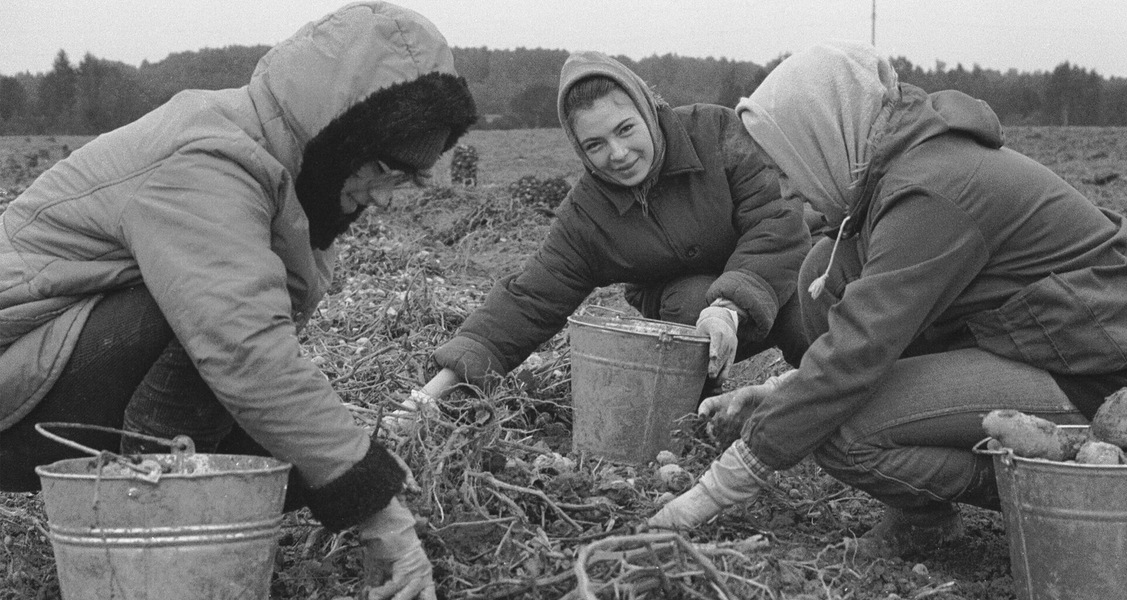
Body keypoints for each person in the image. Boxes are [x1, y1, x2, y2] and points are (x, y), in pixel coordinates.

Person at [0, 3, 477, 599]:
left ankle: (167, 513)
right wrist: (376, 508)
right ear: (335, 129)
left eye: (408, 178)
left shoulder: (279, 173)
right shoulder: (210, 158)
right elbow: (242, 345)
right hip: (14, 387)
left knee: (288, 455)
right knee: (205, 317)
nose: (384, 197)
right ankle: (147, 532)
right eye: (382, 167)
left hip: (46, 374)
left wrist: (342, 473)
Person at [648, 41, 1127, 559]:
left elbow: (855, 356)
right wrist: (777, 390)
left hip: (1108, 366)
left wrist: (714, 491)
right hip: (1040, 337)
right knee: (826, 273)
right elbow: (865, 330)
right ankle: (925, 514)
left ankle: (1062, 491)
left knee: (841, 431)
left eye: (787, 167)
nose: (786, 190)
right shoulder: (899, 167)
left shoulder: (929, 191)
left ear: (822, 136)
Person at [417, 50, 812, 404]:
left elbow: (775, 222)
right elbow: (530, 300)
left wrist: (728, 308)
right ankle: (693, 409)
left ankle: (823, 396)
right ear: (580, 150)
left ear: (648, 109)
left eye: (625, 129)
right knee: (692, 302)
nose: (618, 154)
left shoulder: (717, 132)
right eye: (595, 145)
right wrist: (439, 387)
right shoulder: (587, 215)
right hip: (685, 310)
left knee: (807, 303)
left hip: (768, 283)